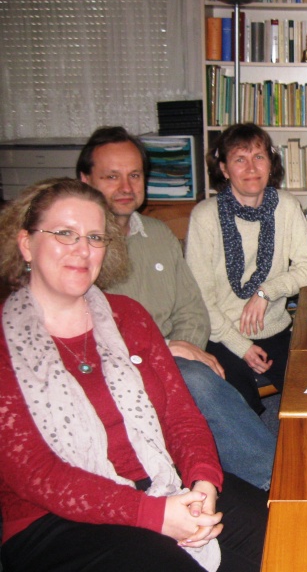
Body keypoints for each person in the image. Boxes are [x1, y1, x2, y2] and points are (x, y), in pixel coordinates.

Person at [0, 178, 267, 572]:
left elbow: (181, 416)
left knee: (289, 533)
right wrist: (155, 514)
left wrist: (203, 482)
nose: (82, 249)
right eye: (64, 234)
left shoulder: (129, 316)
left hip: (159, 477)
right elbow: (37, 475)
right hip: (51, 520)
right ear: (26, 244)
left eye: (94, 237)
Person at [77, 126, 276, 491]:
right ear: (85, 180)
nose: (126, 187)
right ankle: (274, 478)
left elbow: (192, 309)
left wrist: (184, 351)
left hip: (176, 354)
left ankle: (241, 469)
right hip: (111, 363)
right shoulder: (79, 247)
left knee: (205, 374)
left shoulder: (157, 233)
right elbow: (81, 333)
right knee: (199, 381)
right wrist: (165, 352)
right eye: (111, 177)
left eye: (135, 175)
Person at [186, 123, 307, 414]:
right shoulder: (205, 216)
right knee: (240, 406)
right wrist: (241, 346)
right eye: (240, 159)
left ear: (270, 164)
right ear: (224, 169)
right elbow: (200, 298)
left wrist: (266, 291)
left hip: (275, 329)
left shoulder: (286, 206)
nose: (251, 167)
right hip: (222, 334)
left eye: (259, 157)